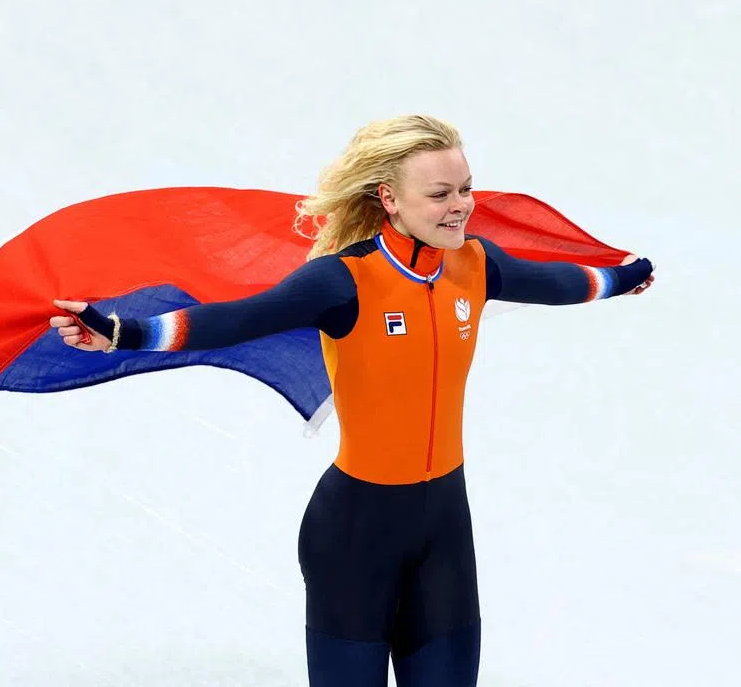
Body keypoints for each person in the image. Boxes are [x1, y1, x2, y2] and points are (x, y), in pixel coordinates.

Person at [48, 115, 655, 687]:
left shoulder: (475, 263)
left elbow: (559, 282)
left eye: (466, 188)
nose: (462, 206)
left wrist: (626, 276)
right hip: (354, 536)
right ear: (389, 198)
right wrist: (121, 332)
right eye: (440, 194)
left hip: (444, 530)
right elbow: (235, 320)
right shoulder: (342, 280)